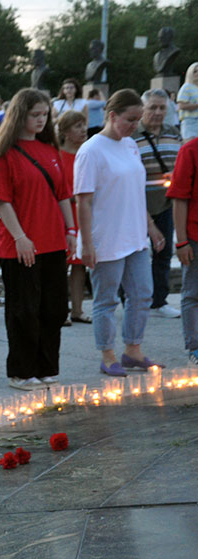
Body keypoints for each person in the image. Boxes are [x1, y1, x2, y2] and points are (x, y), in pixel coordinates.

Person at [0, 89, 77, 391]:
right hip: (19, 244)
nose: (40, 119)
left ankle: (47, 367)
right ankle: (22, 372)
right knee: (24, 309)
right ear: (19, 115)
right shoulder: (5, 154)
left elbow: (63, 194)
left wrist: (71, 231)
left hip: (53, 241)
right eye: (34, 114)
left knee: (54, 308)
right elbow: (1, 200)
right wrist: (20, 236)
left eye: (44, 114)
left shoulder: (51, 151)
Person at [74, 89, 167, 376]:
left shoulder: (130, 145)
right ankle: (108, 354)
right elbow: (83, 200)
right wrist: (87, 243)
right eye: (130, 119)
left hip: (135, 235)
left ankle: (133, 350)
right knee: (106, 299)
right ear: (112, 116)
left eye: (138, 119)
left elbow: (135, 191)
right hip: (106, 238)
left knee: (142, 294)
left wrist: (151, 227)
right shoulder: (91, 151)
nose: (135, 125)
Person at [133, 88, 182, 318]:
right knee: (133, 254)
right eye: (153, 107)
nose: (158, 112)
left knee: (163, 253)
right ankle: (131, 299)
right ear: (143, 108)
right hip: (135, 205)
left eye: (162, 107)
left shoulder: (174, 133)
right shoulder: (132, 136)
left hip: (165, 204)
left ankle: (159, 301)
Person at [56, 109, 91, 325]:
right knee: (60, 266)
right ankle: (61, 310)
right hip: (63, 216)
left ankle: (77, 310)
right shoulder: (57, 155)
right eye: (78, 126)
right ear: (66, 132)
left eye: (83, 125)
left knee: (79, 265)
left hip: (83, 215)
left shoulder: (87, 153)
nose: (83, 130)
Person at [169, 136, 198, 362]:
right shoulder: (189, 150)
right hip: (195, 235)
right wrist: (181, 241)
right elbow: (179, 198)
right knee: (192, 294)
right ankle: (195, 347)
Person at [178, 62, 198, 141]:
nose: (197, 73)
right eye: (195, 71)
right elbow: (181, 106)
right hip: (190, 122)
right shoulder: (186, 87)